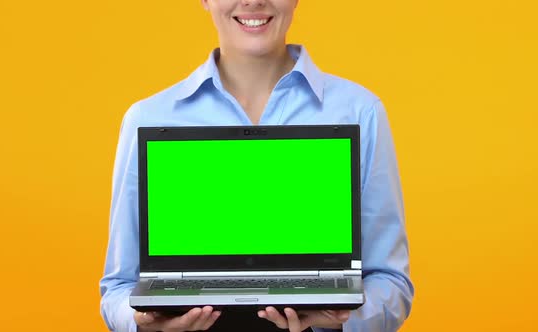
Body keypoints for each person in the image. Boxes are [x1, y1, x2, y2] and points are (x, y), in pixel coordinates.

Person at [100, 0, 414, 331]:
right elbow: (118, 289)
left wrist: (341, 321)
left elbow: (391, 282)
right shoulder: (148, 118)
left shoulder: (359, 112)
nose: (253, 0)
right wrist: (141, 323)